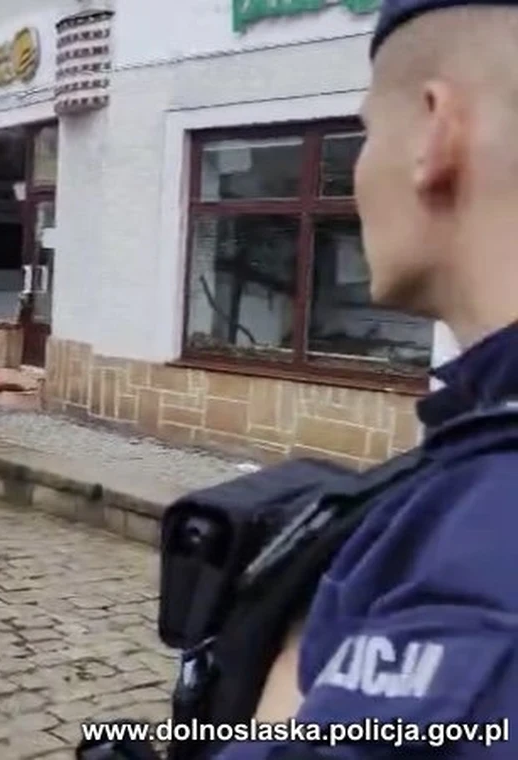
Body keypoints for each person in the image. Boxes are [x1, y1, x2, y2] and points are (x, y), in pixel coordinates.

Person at [212, 1, 518, 757]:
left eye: (365, 133)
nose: (356, 176)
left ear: (433, 130)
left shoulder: (481, 536)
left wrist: (289, 676)